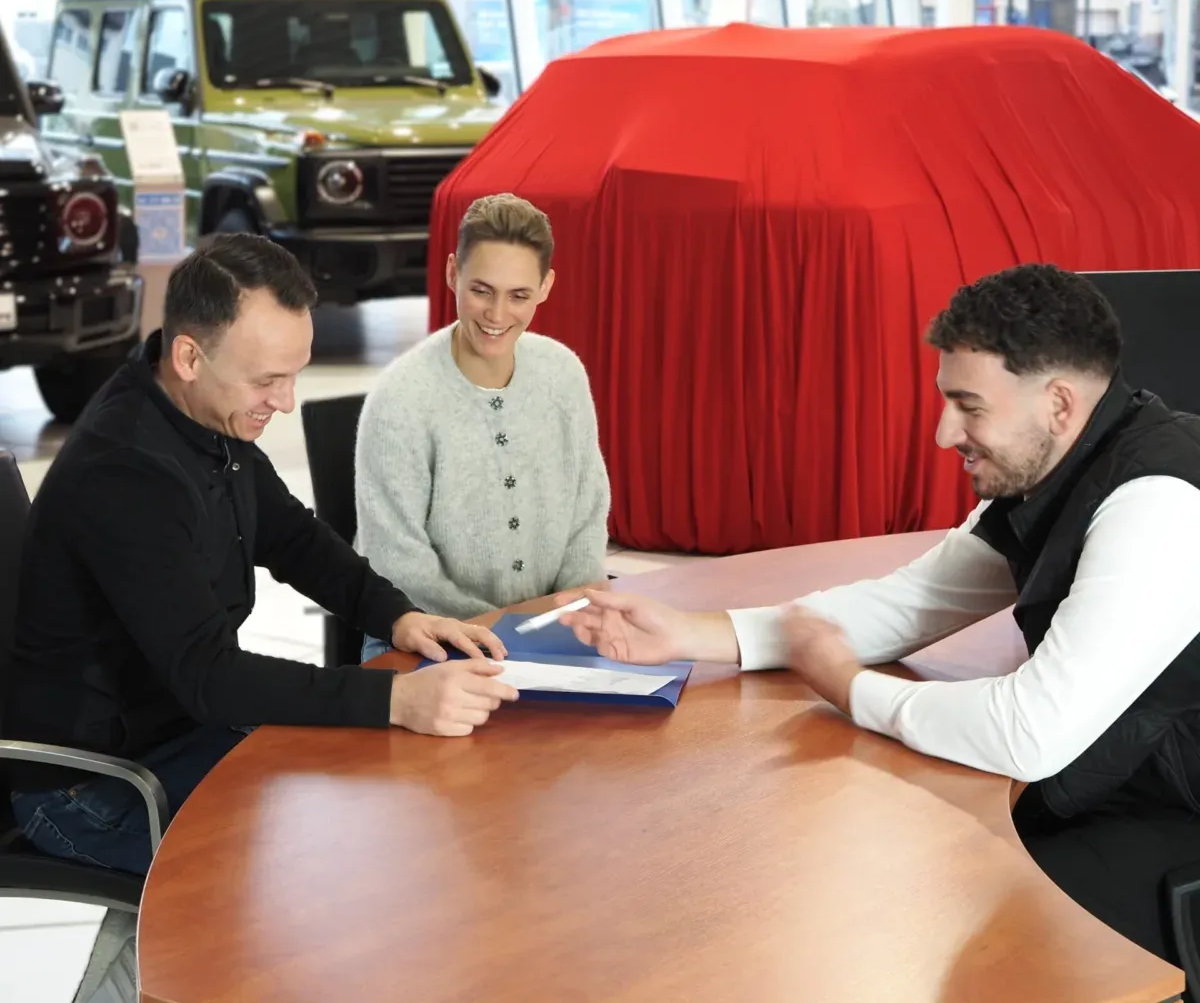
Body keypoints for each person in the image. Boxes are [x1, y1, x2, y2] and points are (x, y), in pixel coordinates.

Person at [560, 263, 1200, 971]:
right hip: (1121, 780)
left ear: (1057, 404)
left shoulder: (1160, 505)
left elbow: (1030, 732)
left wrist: (851, 689)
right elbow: (915, 602)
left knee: (963, 914)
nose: (942, 433)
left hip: (1177, 818)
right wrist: (697, 634)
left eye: (969, 406)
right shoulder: (1065, 466)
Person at [4, 234, 518, 880]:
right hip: (95, 785)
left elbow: (292, 538)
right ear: (189, 355)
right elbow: (212, 677)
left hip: (183, 733)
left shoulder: (205, 415)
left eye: (294, 373)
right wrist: (397, 699)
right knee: (323, 874)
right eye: (268, 379)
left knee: (380, 806)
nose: (285, 401)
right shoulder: (125, 472)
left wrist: (397, 618)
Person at [356, 193, 610, 661]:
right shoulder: (400, 399)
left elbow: (587, 511)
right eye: (481, 290)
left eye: (519, 295)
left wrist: (572, 608)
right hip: (429, 639)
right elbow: (398, 563)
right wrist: (508, 635)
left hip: (543, 635)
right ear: (453, 273)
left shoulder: (564, 374)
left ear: (546, 286)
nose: (496, 315)